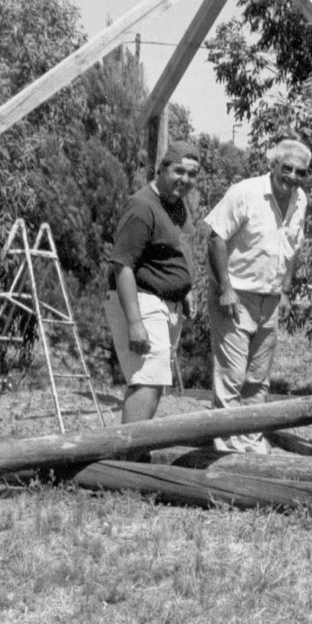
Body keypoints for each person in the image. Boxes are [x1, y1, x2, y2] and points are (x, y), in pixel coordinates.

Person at [203, 138, 312, 452]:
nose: (292, 176)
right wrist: (225, 289)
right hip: (236, 295)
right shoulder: (245, 192)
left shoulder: (300, 199)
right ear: (273, 166)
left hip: (270, 298)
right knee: (231, 374)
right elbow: (216, 239)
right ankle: (224, 441)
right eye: (286, 168)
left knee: (258, 377)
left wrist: (286, 292)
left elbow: (292, 247)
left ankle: (250, 437)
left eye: (300, 172)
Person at [103, 141, 201, 423]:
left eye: (192, 175)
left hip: (167, 302)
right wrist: (135, 322)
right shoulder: (141, 206)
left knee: (155, 381)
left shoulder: (178, 204)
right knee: (147, 380)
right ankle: (127, 457)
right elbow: (122, 265)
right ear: (161, 169)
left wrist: (186, 289)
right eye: (178, 171)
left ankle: (134, 450)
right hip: (142, 299)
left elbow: (178, 247)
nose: (185, 180)